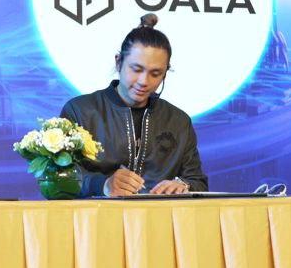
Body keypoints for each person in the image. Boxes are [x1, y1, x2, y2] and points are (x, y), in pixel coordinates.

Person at [61, 14, 209, 197]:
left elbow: (198, 181)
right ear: (118, 62)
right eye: (136, 69)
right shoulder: (80, 111)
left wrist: (183, 186)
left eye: (155, 73)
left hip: (159, 214)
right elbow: (58, 178)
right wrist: (103, 185)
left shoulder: (178, 121)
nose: (143, 81)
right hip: (95, 214)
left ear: (165, 73)